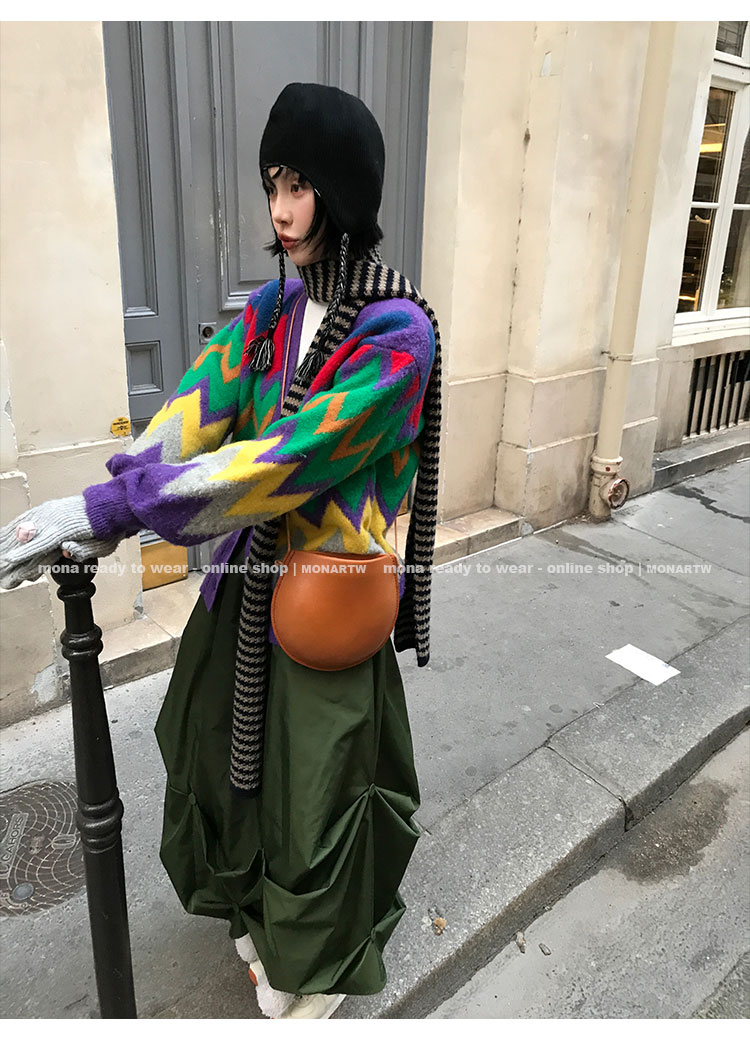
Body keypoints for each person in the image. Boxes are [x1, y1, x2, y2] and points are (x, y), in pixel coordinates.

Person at [0, 82, 442, 1020]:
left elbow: (287, 461)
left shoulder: (397, 335)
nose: (280, 208)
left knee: (314, 804)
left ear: (343, 191)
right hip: (239, 593)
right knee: (214, 763)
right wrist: (100, 502)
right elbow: (196, 411)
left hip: (319, 607)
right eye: (272, 183)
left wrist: (114, 509)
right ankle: (255, 915)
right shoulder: (275, 308)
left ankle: (314, 969)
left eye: (300, 185)